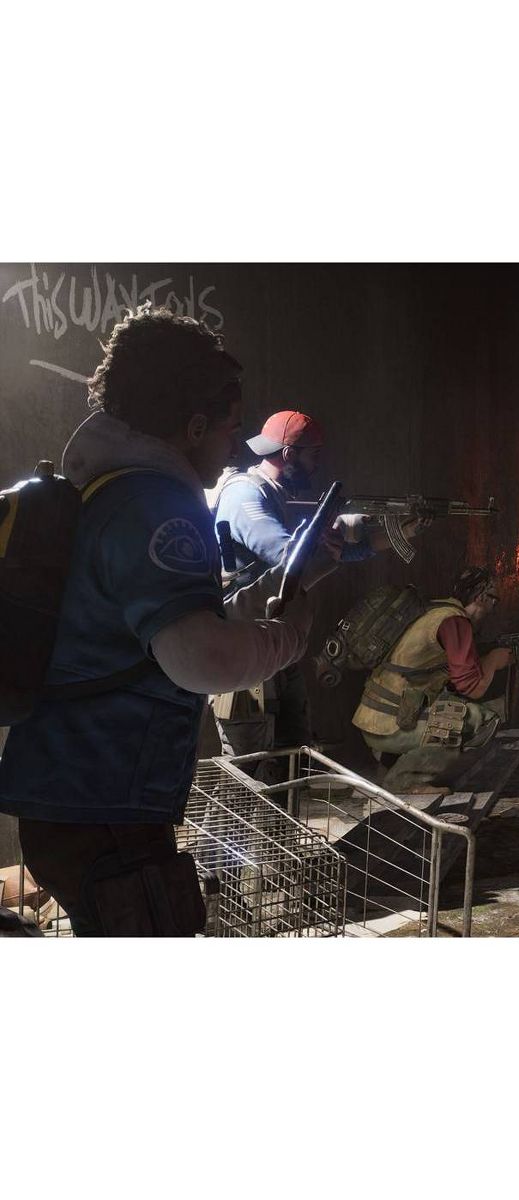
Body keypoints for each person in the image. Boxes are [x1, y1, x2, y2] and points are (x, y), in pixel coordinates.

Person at [0, 305, 316, 936]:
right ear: (194, 427)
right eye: (229, 430)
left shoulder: (110, 490)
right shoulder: (157, 503)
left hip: (76, 794)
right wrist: (290, 634)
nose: (233, 448)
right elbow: (203, 660)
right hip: (106, 801)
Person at [208, 410, 423, 771]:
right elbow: (286, 556)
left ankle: (282, 812)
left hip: (275, 643)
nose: (317, 464)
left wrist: (400, 530)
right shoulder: (245, 495)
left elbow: (341, 553)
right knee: (246, 767)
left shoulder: (280, 496)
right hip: (242, 645)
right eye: (314, 455)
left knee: (292, 756)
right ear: (289, 454)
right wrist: (338, 531)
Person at [353, 565, 519, 779]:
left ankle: (387, 768)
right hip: (390, 726)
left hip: (375, 716)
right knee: (483, 721)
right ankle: (403, 779)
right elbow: (472, 688)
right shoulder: (456, 622)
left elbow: (459, 668)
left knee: (441, 704)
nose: (493, 607)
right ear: (481, 597)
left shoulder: (437, 610)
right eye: (494, 600)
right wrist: (493, 660)